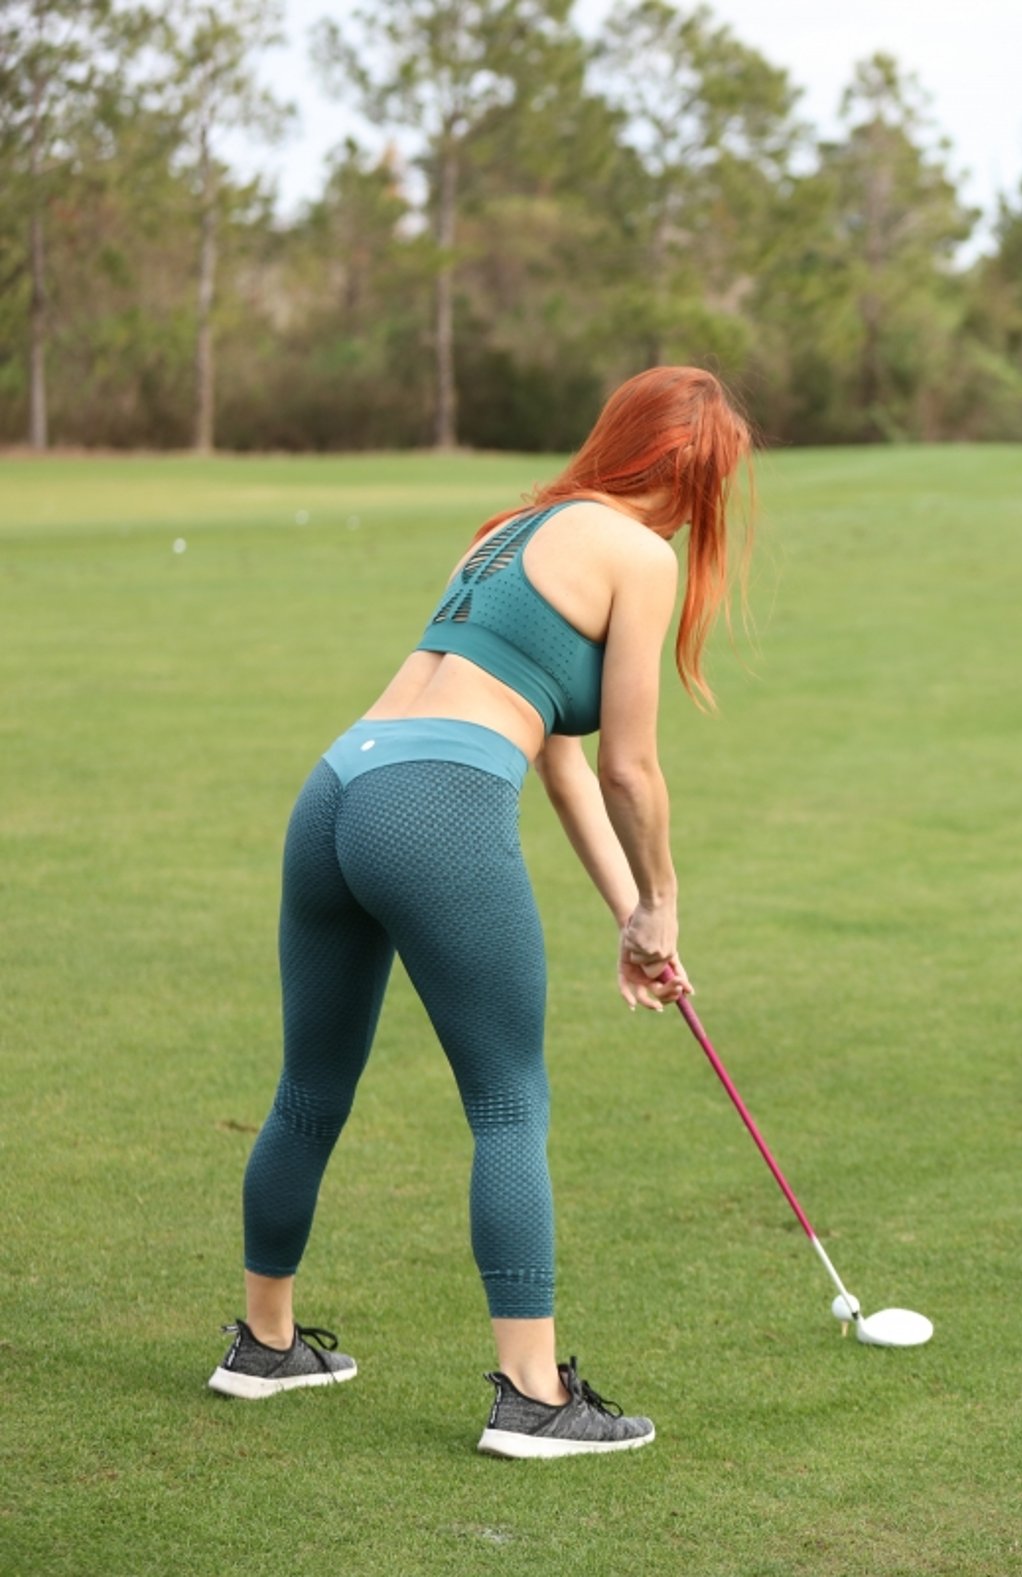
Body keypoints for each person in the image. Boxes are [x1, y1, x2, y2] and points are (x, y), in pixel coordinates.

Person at [212, 367, 755, 1457]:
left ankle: (263, 1344)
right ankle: (533, 1396)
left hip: (337, 788)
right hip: (435, 806)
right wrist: (666, 897)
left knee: (310, 1090)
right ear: (693, 474)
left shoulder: (511, 532)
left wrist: (633, 920)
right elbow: (629, 767)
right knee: (508, 1104)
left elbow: (562, 760)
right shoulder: (639, 553)